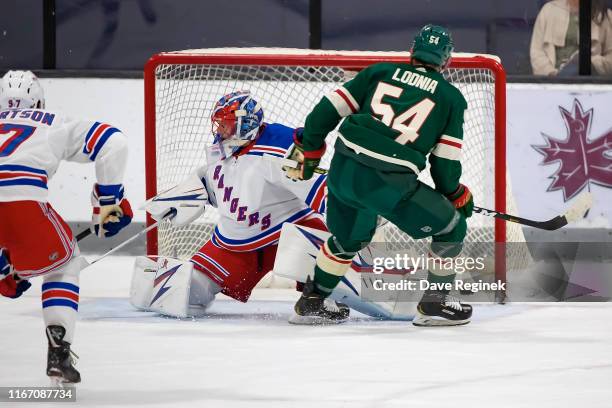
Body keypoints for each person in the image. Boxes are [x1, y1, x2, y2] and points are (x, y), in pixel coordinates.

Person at [286, 24, 474, 326]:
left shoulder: (378, 72)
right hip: (388, 183)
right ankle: (434, 306)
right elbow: (444, 164)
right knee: (451, 227)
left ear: (412, 51)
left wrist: (310, 148)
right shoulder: (451, 98)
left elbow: (325, 110)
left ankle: (312, 301)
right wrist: (455, 193)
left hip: (343, 171)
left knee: (347, 240)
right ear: (446, 60)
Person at [131, 90, 349, 321]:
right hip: (235, 241)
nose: (220, 130)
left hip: (288, 232)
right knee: (181, 295)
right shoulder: (221, 150)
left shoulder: (280, 149)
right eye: (220, 124)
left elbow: (319, 188)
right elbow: (222, 186)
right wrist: (188, 195)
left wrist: (356, 211)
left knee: (326, 247)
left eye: (227, 124)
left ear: (247, 124)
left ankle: (326, 296)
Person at [0, 70, 132, 384]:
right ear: (40, 101)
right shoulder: (51, 120)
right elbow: (113, 142)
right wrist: (108, 200)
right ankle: (59, 352)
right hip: (24, 205)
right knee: (66, 263)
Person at [530, 0, 612, 76]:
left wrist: (589, 63)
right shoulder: (548, 10)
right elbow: (537, 52)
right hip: (551, 84)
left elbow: (610, 58)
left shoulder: (605, 16)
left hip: (590, 83)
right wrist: (553, 75)